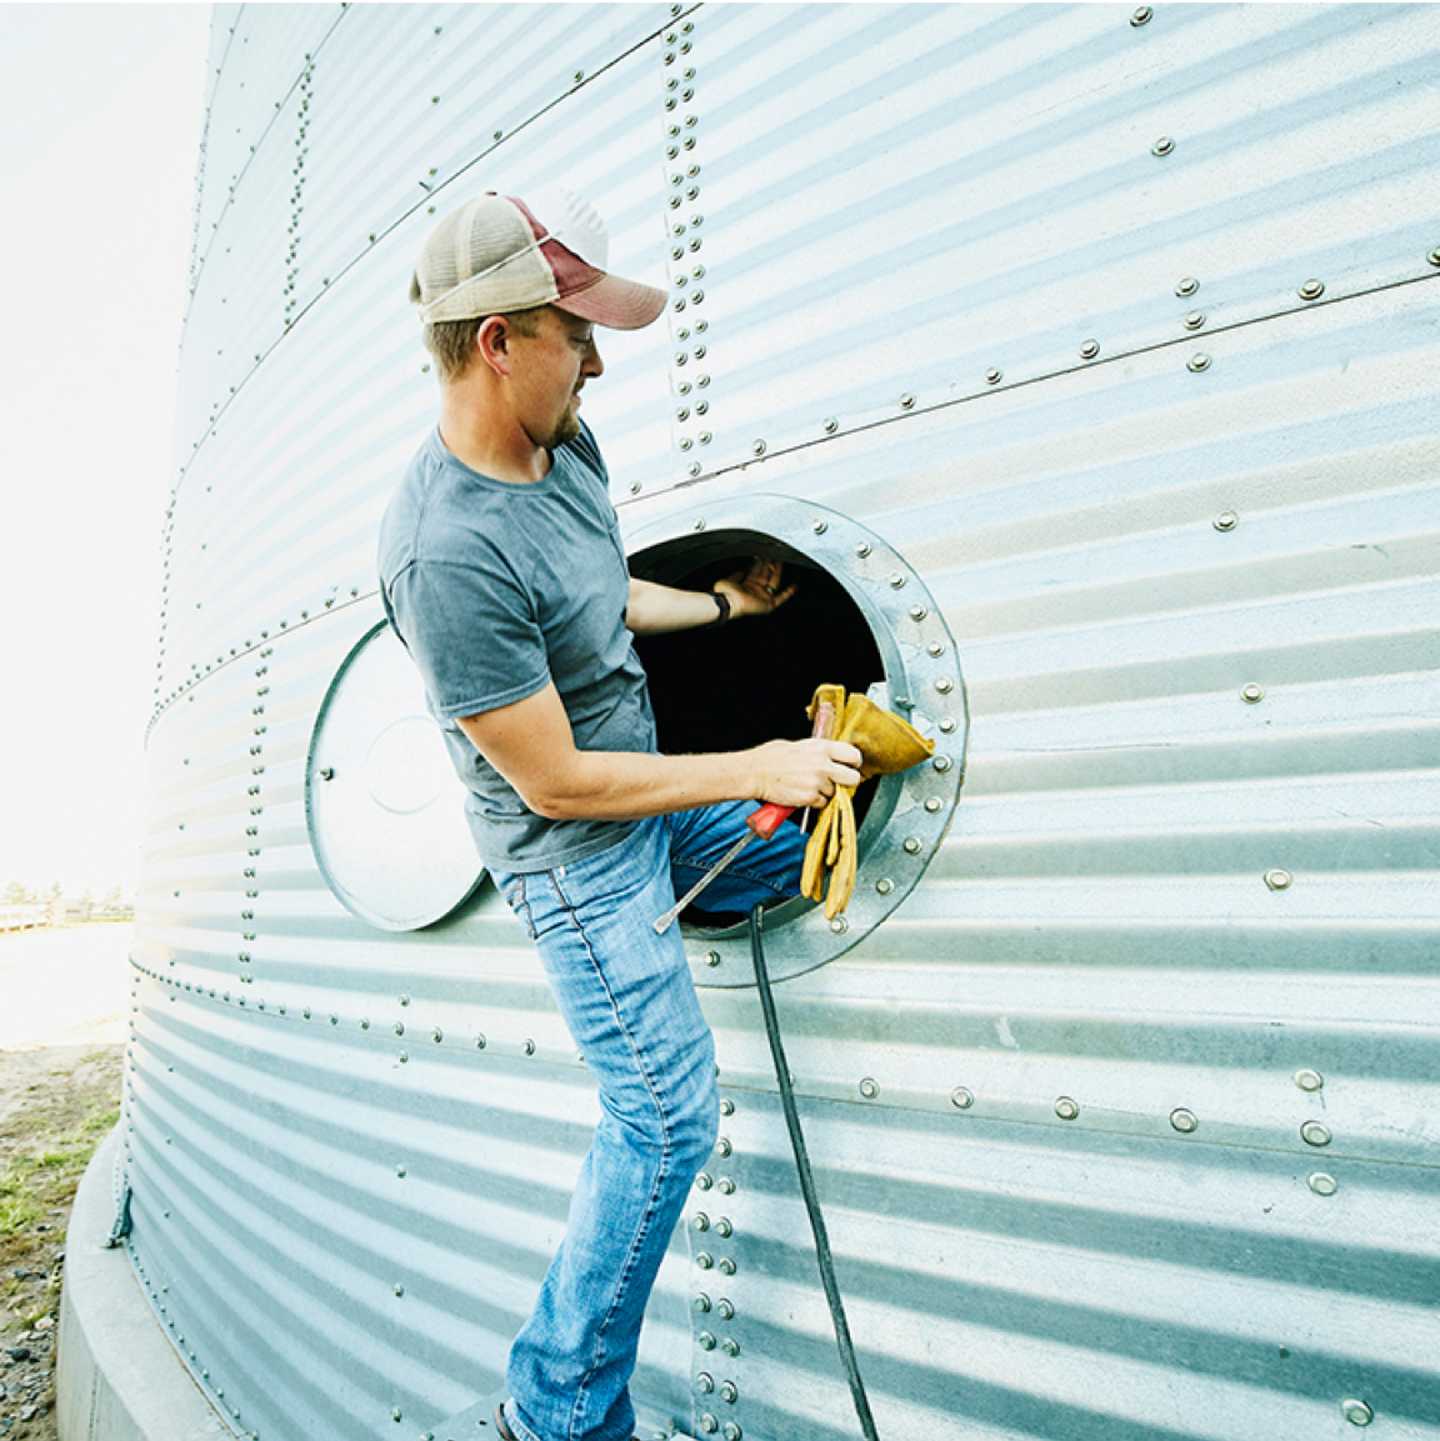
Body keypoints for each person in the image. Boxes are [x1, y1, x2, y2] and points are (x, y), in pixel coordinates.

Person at [376, 188, 863, 1441]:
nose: (596, 360)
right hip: (578, 864)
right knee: (663, 1115)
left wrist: (727, 614)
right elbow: (555, 783)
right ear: (496, 342)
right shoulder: (447, 554)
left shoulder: (563, 444)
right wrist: (755, 762)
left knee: (801, 844)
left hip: (645, 809)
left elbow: (601, 594)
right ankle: (557, 1412)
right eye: (574, 333)